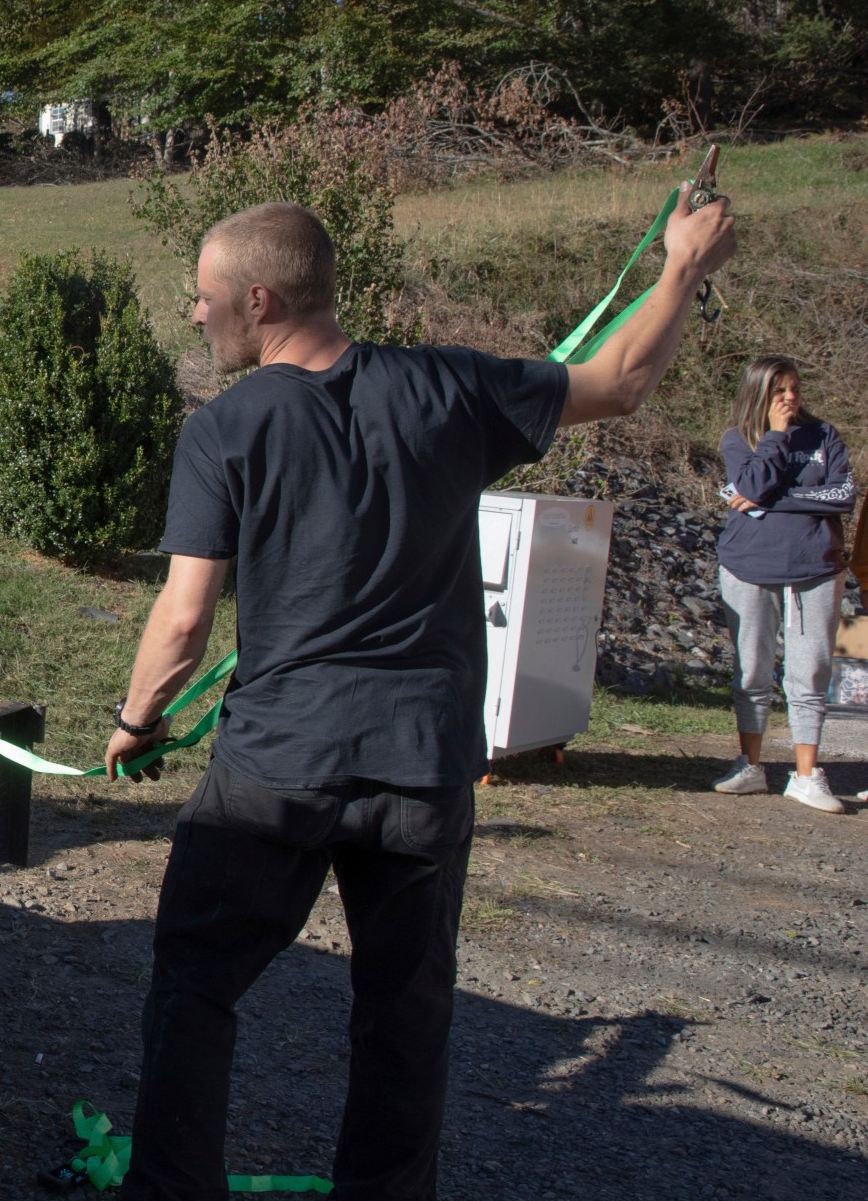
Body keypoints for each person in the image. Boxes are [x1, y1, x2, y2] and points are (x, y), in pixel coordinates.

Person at [106, 190, 736, 1199]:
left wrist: (135, 721)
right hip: (420, 763)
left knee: (193, 985)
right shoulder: (447, 388)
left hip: (278, 765)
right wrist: (683, 264)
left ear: (257, 299)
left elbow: (182, 622)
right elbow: (619, 382)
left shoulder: (225, 429)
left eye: (203, 296)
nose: (194, 314)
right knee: (403, 1010)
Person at [713, 355, 852, 811]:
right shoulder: (739, 438)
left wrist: (776, 500)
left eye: (794, 388)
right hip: (747, 565)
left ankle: (807, 775)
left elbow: (841, 495)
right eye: (780, 391)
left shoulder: (823, 435)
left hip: (817, 567)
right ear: (760, 394)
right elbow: (751, 481)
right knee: (751, 670)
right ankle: (749, 767)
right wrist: (774, 437)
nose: (791, 397)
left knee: (810, 671)